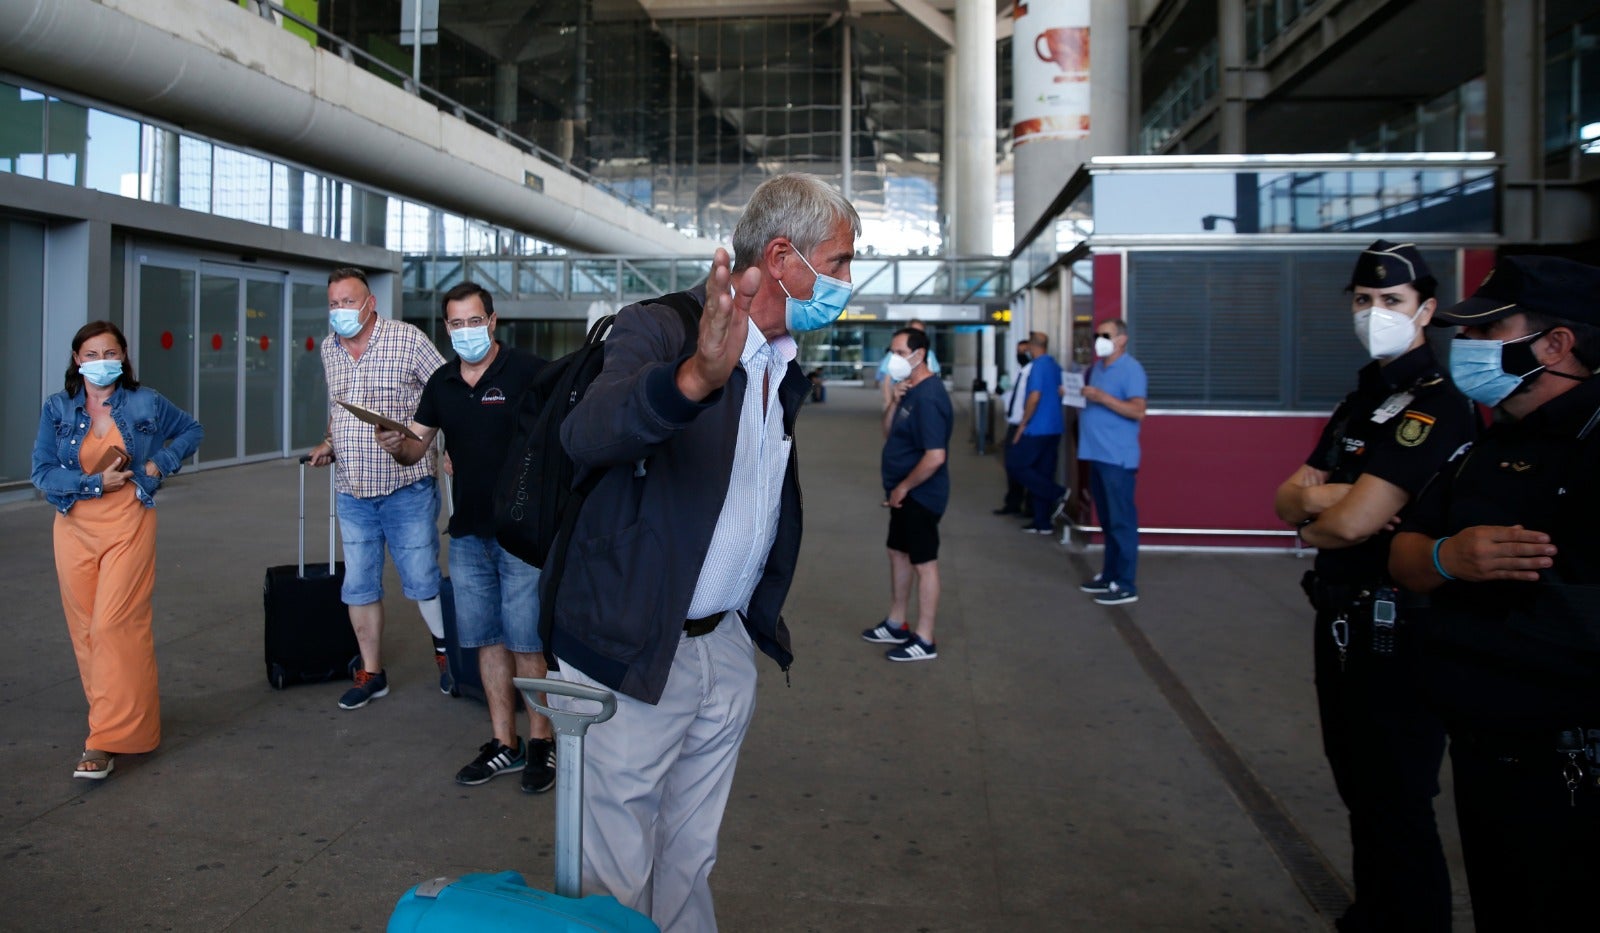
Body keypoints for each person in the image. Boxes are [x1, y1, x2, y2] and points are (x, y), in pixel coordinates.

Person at [548, 173, 858, 932]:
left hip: (721, 647)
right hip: (633, 645)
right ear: (783, 257)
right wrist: (692, 380)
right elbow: (586, 433)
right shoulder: (660, 329)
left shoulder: (782, 363)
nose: (848, 281)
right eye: (841, 260)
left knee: (690, 859)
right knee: (612, 877)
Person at [1388, 254, 1600, 931]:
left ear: (1556, 344)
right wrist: (1451, 556)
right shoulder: (1489, 440)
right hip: (1483, 745)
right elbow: (1403, 555)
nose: (1467, 348)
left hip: (1573, 758)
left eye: (1487, 332)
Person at [1273, 241, 1477, 932]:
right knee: (1358, 784)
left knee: (1396, 794)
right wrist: (1334, 504)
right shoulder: (1361, 399)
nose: (1374, 313)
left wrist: (1326, 510)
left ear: (1425, 309)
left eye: (1390, 302)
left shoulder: (1438, 404)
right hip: (1340, 620)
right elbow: (1286, 498)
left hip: (1401, 628)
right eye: (1363, 301)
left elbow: (1350, 523)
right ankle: (1375, 915)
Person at [374, 282, 556, 793]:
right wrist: (395, 444)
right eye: (456, 324)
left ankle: (541, 742)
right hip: (469, 533)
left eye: (474, 321)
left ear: (493, 321)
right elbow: (416, 450)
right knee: (486, 641)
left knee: (527, 643)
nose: (465, 332)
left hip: (520, 534)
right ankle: (505, 743)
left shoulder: (527, 372)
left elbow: (563, 436)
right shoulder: (442, 382)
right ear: (446, 328)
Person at [31, 321, 204, 780]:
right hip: (73, 526)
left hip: (129, 520)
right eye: (91, 353)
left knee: (113, 625)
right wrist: (92, 482)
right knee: (88, 631)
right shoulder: (57, 408)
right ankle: (124, 726)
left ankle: (101, 742)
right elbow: (43, 473)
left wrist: (158, 464)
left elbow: (191, 430)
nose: (101, 360)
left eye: (110, 352)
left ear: (124, 357)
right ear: (77, 360)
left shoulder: (144, 401)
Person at [307, 267, 448, 710]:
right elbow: (338, 405)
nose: (340, 311)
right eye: (334, 303)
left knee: (423, 579)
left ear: (371, 303)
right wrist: (330, 441)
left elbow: (447, 392)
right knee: (360, 585)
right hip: (352, 489)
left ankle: (449, 657)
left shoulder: (407, 339)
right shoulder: (330, 348)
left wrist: (451, 447)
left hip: (406, 485)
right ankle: (372, 672)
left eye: (348, 302)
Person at [860, 326, 953, 662]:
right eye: (893, 352)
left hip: (920, 495)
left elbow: (935, 456)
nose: (893, 359)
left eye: (899, 353)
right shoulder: (910, 390)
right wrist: (893, 401)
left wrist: (903, 487)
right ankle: (897, 622)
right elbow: (889, 432)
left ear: (920, 355)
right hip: (902, 493)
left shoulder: (930, 397)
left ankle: (925, 638)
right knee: (897, 552)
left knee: (924, 563)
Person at [1076, 320, 1148, 605]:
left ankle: (1126, 583)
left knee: (1122, 522)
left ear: (1121, 340)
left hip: (1117, 458)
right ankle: (1109, 575)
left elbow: (1138, 411)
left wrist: (1103, 397)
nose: (1099, 340)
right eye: (1097, 336)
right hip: (1096, 454)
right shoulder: (1098, 369)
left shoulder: (1131, 370)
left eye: (1105, 336)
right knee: (1107, 521)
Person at [1006, 331, 1065, 533]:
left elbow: (1034, 396)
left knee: (1016, 465)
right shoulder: (1055, 366)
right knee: (1043, 472)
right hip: (1054, 427)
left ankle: (1056, 492)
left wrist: (1023, 423)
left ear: (1032, 346)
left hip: (1037, 428)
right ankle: (1043, 522)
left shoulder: (1038, 367)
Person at [993, 338, 1033, 516]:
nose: (1020, 355)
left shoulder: (1033, 373)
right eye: (1018, 351)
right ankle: (1013, 502)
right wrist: (1003, 392)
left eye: (1024, 351)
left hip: (1023, 426)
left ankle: (1029, 505)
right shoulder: (1020, 372)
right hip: (1013, 423)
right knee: (1010, 465)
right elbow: (1014, 398)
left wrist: (1023, 425)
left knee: (1021, 466)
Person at [877, 317, 941, 409]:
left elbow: (933, 379)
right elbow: (886, 381)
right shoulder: (893, 355)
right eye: (914, 331)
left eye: (921, 332)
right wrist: (889, 403)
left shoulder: (930, 355)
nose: (917, 335)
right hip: (901, 401)